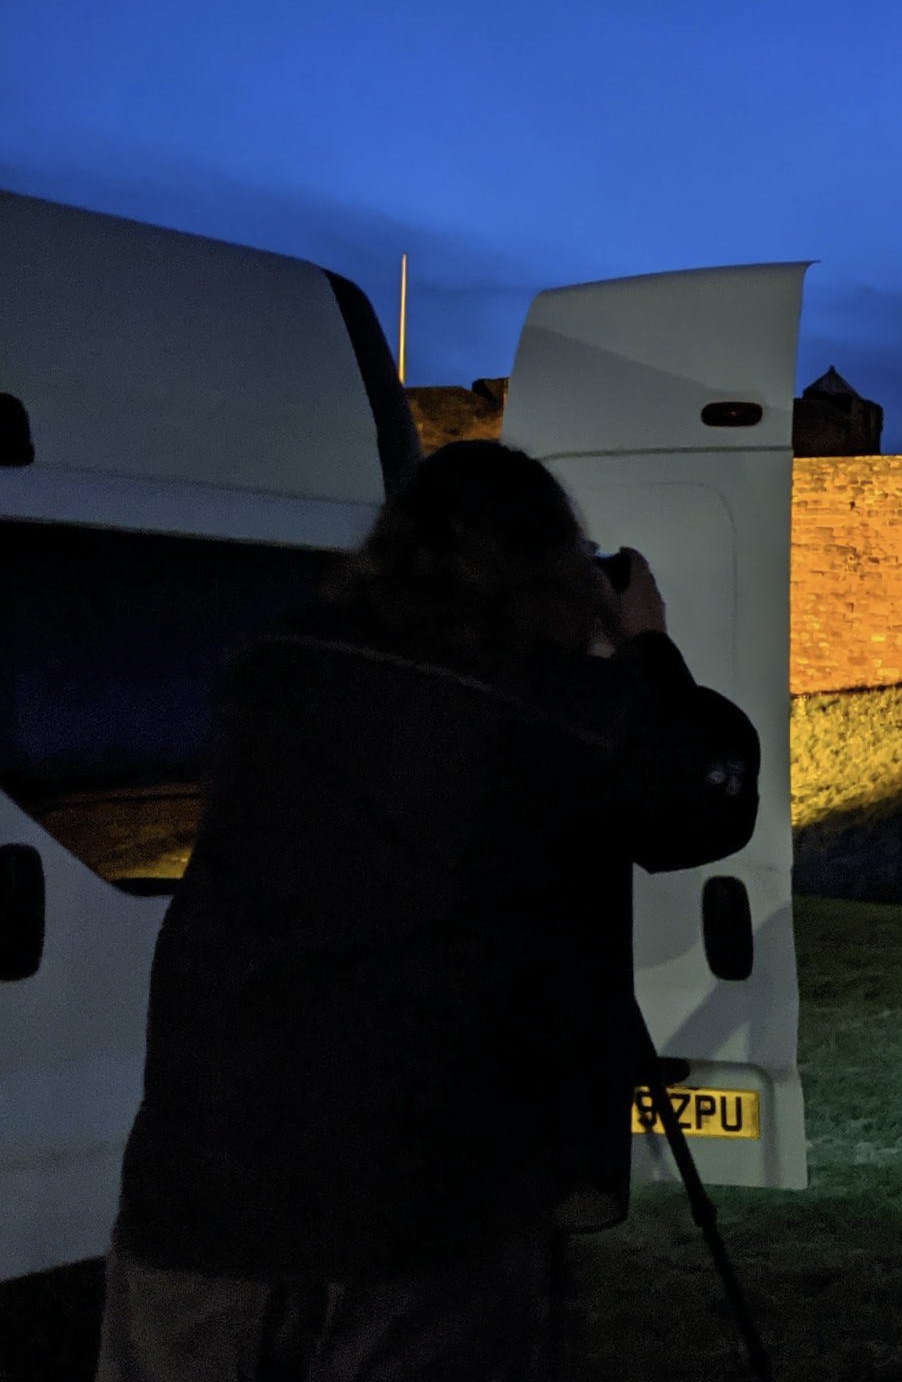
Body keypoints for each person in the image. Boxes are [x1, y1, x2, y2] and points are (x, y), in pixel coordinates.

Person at [95, 438, 762, 1382]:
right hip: (414, 1219)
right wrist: (643, 645)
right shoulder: (547, 709)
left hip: (197, 1196)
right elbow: (706, 793)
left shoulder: (276, 672)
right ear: (551, 567)